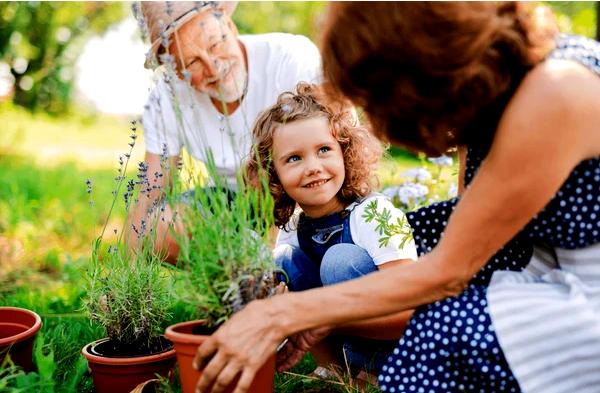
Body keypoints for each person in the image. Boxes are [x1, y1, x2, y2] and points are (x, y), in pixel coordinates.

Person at [192, 2, 600, 393]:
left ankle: (398, 365)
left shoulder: (555, 93)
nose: (379, 122)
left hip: (586, 299)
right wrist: (316, 311)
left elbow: (446, 273)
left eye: (376, 97)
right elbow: (464, 218)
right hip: (543, 261)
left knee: (440, 331)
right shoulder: (497, 87)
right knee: (414, 230)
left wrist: (288, 314)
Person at [244, 82, 418, 375]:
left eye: (324, 149)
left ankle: (376, 374)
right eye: (294, 158)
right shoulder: (295, 226)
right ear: (274, 175)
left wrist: (321, 314)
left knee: (339, 259)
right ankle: (335, 373)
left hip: (403, 351)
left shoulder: (375, 214)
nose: (312, 166)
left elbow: (411, 311)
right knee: (283, 260)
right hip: (345, 335)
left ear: (345, 152)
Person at [129, 1, 322, 262]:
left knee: (296, 255)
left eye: (215, 45)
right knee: (160, 226)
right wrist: (124, 279)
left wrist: (272, 247)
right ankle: (239, 282)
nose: (213, 68)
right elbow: (151, 187)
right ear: (175, 70)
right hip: (234, 204)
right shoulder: (167, 96)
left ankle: (280, 275)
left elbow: (330, 152)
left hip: (308, 195)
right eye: (193, 61)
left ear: (229, 26)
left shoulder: (289, 58)